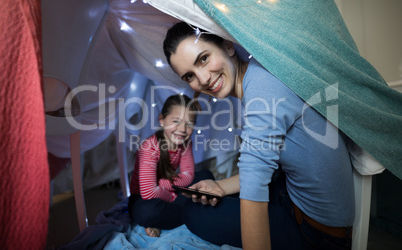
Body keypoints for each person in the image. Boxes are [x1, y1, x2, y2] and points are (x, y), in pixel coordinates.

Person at [162, 22, 355, 249]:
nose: (202, 79)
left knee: (195, 212)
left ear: (228, 46)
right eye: (189, 76)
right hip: (293, 193)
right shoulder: (259, 71)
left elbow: (255, 181)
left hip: (316, 233)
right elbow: (262, 166)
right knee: (205, 185)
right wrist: (222, 187)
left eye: (203, 59)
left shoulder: (263, 91)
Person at [128, 94, 214, 237]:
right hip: (144, 198)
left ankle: (179, 215)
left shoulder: (186, 143)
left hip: (168, 190)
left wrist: (164, 185)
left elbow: (188, 176)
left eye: (189, 124)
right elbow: (148, 192)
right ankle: (194, 212)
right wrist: (173, 196)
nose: (182, 129)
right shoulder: (149, 147)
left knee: (206, 176)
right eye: (176, 121)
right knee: (148, 212)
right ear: (162, 120)